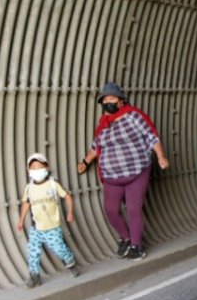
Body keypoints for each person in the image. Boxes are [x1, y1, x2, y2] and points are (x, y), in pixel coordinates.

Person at [76, 82, 170, 260]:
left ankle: (136, 245)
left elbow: (151, 136)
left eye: (112, 98)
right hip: (112, 177)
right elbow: (96, 146)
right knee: (111, 210)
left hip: (137, 171)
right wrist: (85, 162)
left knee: (134, 209)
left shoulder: (133, 116)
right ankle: (126, 238)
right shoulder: (103, 125)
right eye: (105, 100)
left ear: (121, 101)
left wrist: (161, 157)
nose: (108, 102)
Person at [16, 153, 78, 287]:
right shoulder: (29, 187)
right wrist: (21, 220)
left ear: (47, 167)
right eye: (33, 167)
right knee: (32, 251)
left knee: (59, 249)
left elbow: (67, 196)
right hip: (36, 227)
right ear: (28, 170)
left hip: (52, 226)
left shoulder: (53, 184)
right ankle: (34, 276)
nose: (36, 169)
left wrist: (70, 212)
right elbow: (26, 203)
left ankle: (70, 261)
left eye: (39, 166)